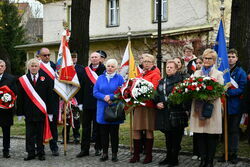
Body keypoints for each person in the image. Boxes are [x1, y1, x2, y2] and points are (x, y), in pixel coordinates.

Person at [190, 49, 224, 167]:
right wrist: (197, 94)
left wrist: (207, 97)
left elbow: (220, 91)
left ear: (214, 60)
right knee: (200, 135)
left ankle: (209, 161)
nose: (207, 60)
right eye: (205, 58)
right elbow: (191, 88)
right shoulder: (196, 74)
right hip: (198, 108)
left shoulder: (218, 74)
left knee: (211, 135)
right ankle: (203, 159)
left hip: (212, 108)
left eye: (209, 58)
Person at [17, 58, 54, 161]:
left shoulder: (45, 78)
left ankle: (41, 153)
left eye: (35, 66)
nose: (33, 68)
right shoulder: (23, 79)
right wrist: (20, 113)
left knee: (40, 134)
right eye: (32, 66)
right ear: (28, 67)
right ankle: (30, 153)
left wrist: (50, 112)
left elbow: (50, 96)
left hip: (41, 112)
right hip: (28, 112)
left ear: (39, 67)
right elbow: (20, 98)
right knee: (29, 135)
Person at [155, 60, 189, 166]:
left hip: (176, 113)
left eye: (171, 67)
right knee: (168, 137)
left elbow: (180, 97)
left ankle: (174, 158)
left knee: (176, 137)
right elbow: (156, 94)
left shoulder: (180, 80)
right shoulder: (162, 81)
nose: (169, 69)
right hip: (165, 113)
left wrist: (165, 103)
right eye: (167, 67)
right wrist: (157, 102)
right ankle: (168, 157)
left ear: (176, 69)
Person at [129, 53, 161, 164]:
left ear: (153, 63)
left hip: (148, 106)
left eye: (149, 62)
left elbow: (153, 89)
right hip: (138, 106)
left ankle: (148, 155)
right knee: (136, 129)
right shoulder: (140, 74)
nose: (146, 64)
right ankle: (136, 155)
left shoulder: (155, 74)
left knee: (148, 130)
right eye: (144, 62)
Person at [218, 48, 247, 164]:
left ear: (237, 58)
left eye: (233, 57)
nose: (230, 59)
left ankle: (233, 153)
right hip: (223, 105)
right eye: (229, 57)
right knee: (224, 130)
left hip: (235, 106)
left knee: (233, 131)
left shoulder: (240, 72)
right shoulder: (222, 71)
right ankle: (225, 152)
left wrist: (229, 93)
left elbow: (242, 88)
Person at [93, 59, 124, 162]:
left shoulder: (119, 78)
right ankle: (104, 153)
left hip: (114, 109)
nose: (109, 68)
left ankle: (114, 154)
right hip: (102, 108)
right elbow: (95, 92)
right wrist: (104, 97)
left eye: (112, 66)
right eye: (108, 66)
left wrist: (111, 97)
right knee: (103, 133)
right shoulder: (100, 78)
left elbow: (122, 92)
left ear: (116, 68)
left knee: (114, 133)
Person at [76, 52, 105, 158]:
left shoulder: (104, 70)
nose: (94, 59)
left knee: (98, 127)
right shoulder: (85, 71)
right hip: (87, 103)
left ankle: (98, 148)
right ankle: (84, 149)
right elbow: (81, 87)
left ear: (100, 59)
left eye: (96, 57)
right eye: (92, 57)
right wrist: (80, 102)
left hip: (99, 103)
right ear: (90, 59)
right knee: (86, 128)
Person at [39, 47, 59, 156]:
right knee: (40, 125)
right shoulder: (36, 66)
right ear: (40, 56)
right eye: (44, 55)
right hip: (41, 100)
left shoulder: (54, 66)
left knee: (53, 126)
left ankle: (54, 147)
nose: (47, 57)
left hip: (53, 100)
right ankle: (40, 148)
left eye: (48, 55)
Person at [61, 51, 84, 144]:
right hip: (66, 97)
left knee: (76, 118)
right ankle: (65, 137)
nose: (74, 59)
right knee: (66, 119)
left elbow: (82, 83)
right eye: (72, 57)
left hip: (76, 98)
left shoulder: (81, 68)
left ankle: (76, 136)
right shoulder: (64, 69)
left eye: (75, 57)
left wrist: (81, 101)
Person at [0, 60, 17, 158]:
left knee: (6, 132)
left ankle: (6, 150)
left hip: (6, 110)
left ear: (5, 67)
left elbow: (14, 93)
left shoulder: (11, 78)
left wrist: (7, 98)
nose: (0, 67)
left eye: (2, 66)